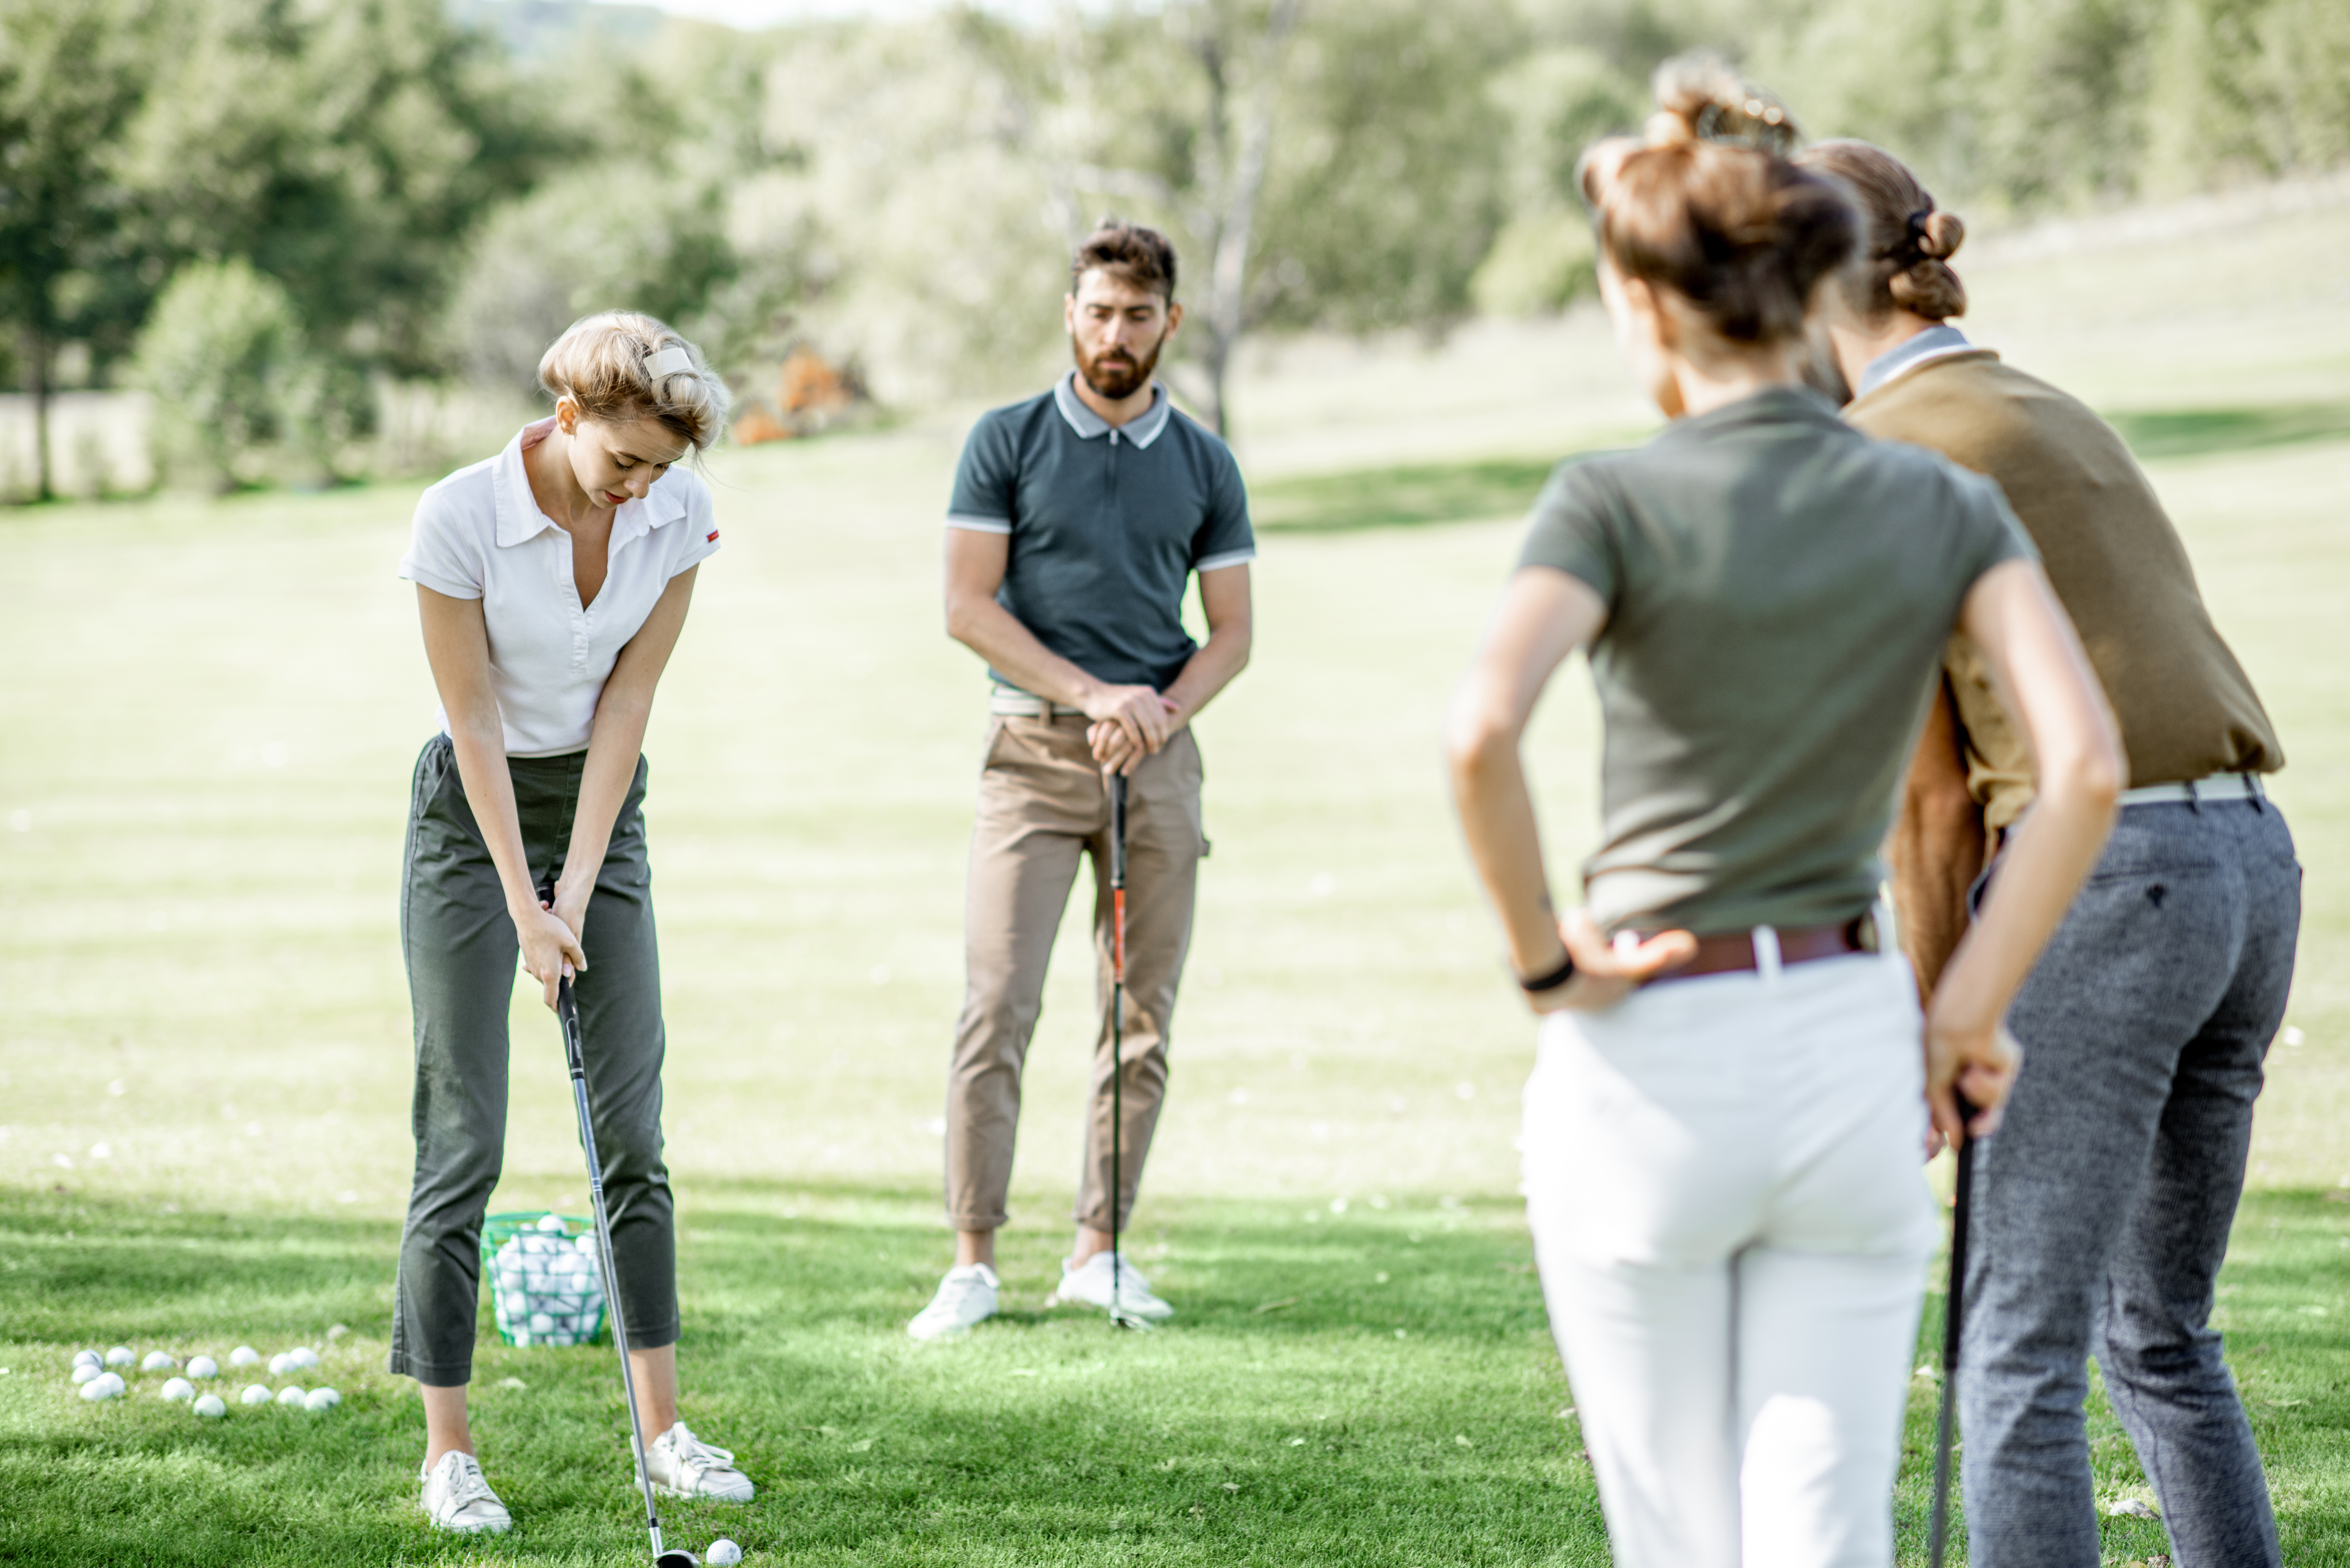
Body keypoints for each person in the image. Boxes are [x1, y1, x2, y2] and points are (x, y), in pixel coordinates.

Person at [1443, 74, 2125, 1567]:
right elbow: (2082, 767)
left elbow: (1480, 729)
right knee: (1825, 1533)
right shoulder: (1934, 503)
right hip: (1846, 1034)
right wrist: (1963, 1014)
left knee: (1678, 1539)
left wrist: (1544, 964)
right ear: (1819, 294)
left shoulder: (1606, 500)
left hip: (1650, 1047)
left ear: (1646, 309)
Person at [1800, 139, 2297, 1568]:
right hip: (2248, 871)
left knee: (2013, 1352)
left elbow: (1931, 803)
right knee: (2160, 1334)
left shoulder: (1877, 459)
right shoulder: (2045, 404)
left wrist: (1937, 1021)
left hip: (2107, 891)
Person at [391, 312, 754, 1532]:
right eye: (624, 461)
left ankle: (664, 1434)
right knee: (464, 1138)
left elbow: (629, 702)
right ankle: (449, 1453)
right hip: (471, 821)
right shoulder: (458, 517)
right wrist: (524, 905)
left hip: (602, 813)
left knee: (631, 1133)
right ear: (568, 419)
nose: (640, 488)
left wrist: (578, 893)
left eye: (662, 467)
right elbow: (475, 720)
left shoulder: (677, 515)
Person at [907, 221, 1255, 1339]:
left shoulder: (1205, 462)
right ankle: (973, 1264)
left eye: (1138, 317)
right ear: (1071, 314)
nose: (1116, 335)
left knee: (1139, 1016)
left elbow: (1233, 633)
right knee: (997, 1007)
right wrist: (1097, 693)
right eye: (1099, 313)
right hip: (1031, 756)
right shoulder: (1005, 441)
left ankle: (1099, 1255)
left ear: (1171, 323)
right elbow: (968, 609)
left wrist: (1156, 713)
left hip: (1157, 761)